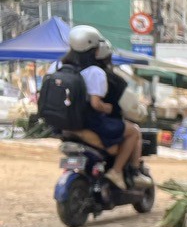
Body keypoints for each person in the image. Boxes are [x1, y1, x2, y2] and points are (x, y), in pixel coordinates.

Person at [55, 26, 147, 190]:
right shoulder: (97, 73)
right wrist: (108, 109)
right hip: (92, 124)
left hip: (63, 125)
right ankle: (117, 172)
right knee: (133, 131)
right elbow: (96, 104)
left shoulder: (59, 68)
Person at [89, 41, 151, 188]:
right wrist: (142, 112)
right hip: (102, 126)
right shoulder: (111, 79)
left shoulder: (79, 73)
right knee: (134, 131)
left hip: (79, 124)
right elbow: (132, 108)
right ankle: (120, 171)